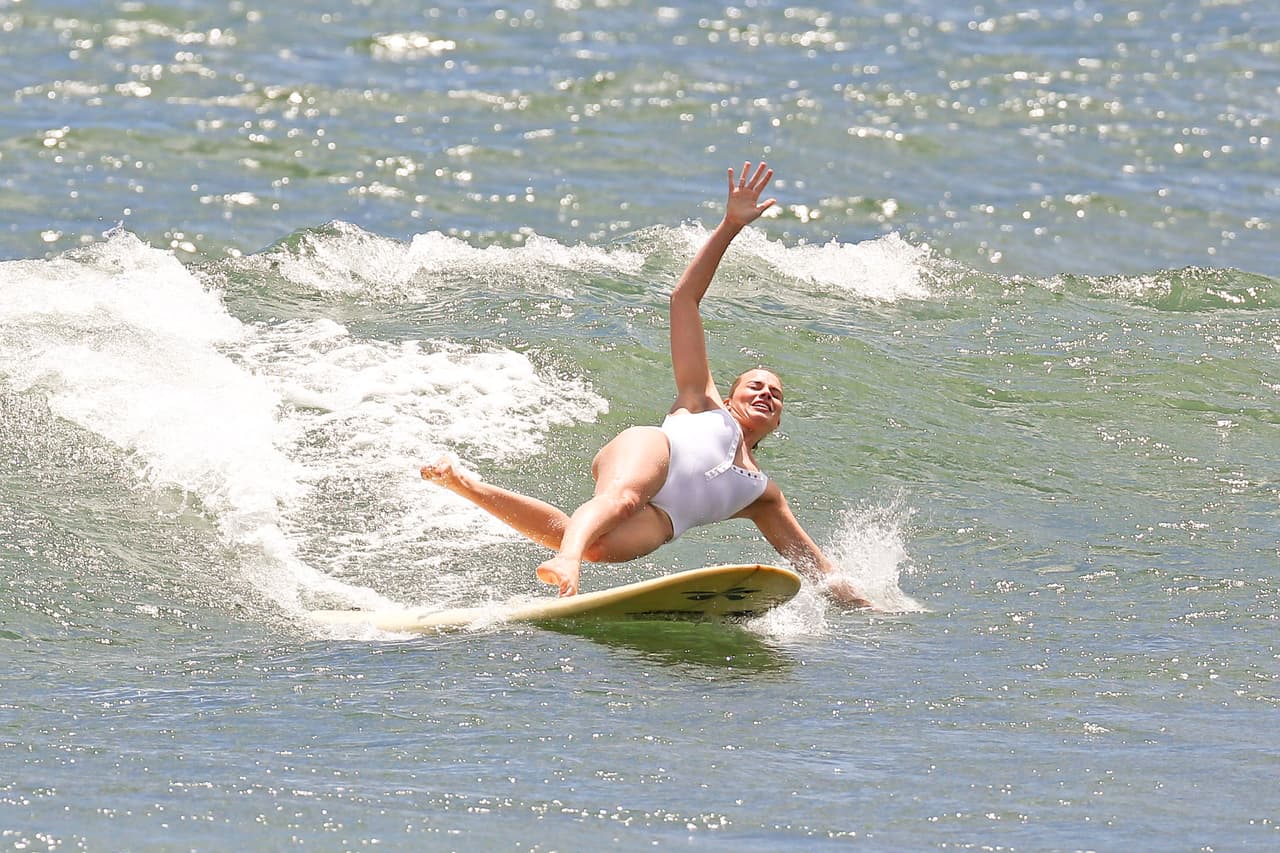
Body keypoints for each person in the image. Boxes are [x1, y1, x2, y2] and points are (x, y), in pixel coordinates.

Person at [421, 162, 870, 608]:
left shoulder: (761, 494)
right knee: (621, 499)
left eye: (775, 395)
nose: (766, 394)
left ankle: (469, 488)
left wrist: (871, 608)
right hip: (653, 451)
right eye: (755, 385)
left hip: (664, 517)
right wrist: (730, 226)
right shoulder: (703, 403)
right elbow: (684, 300)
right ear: (731, 398)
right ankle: (568, 562)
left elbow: (815, 566)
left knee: (593, 540)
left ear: (777, 423)